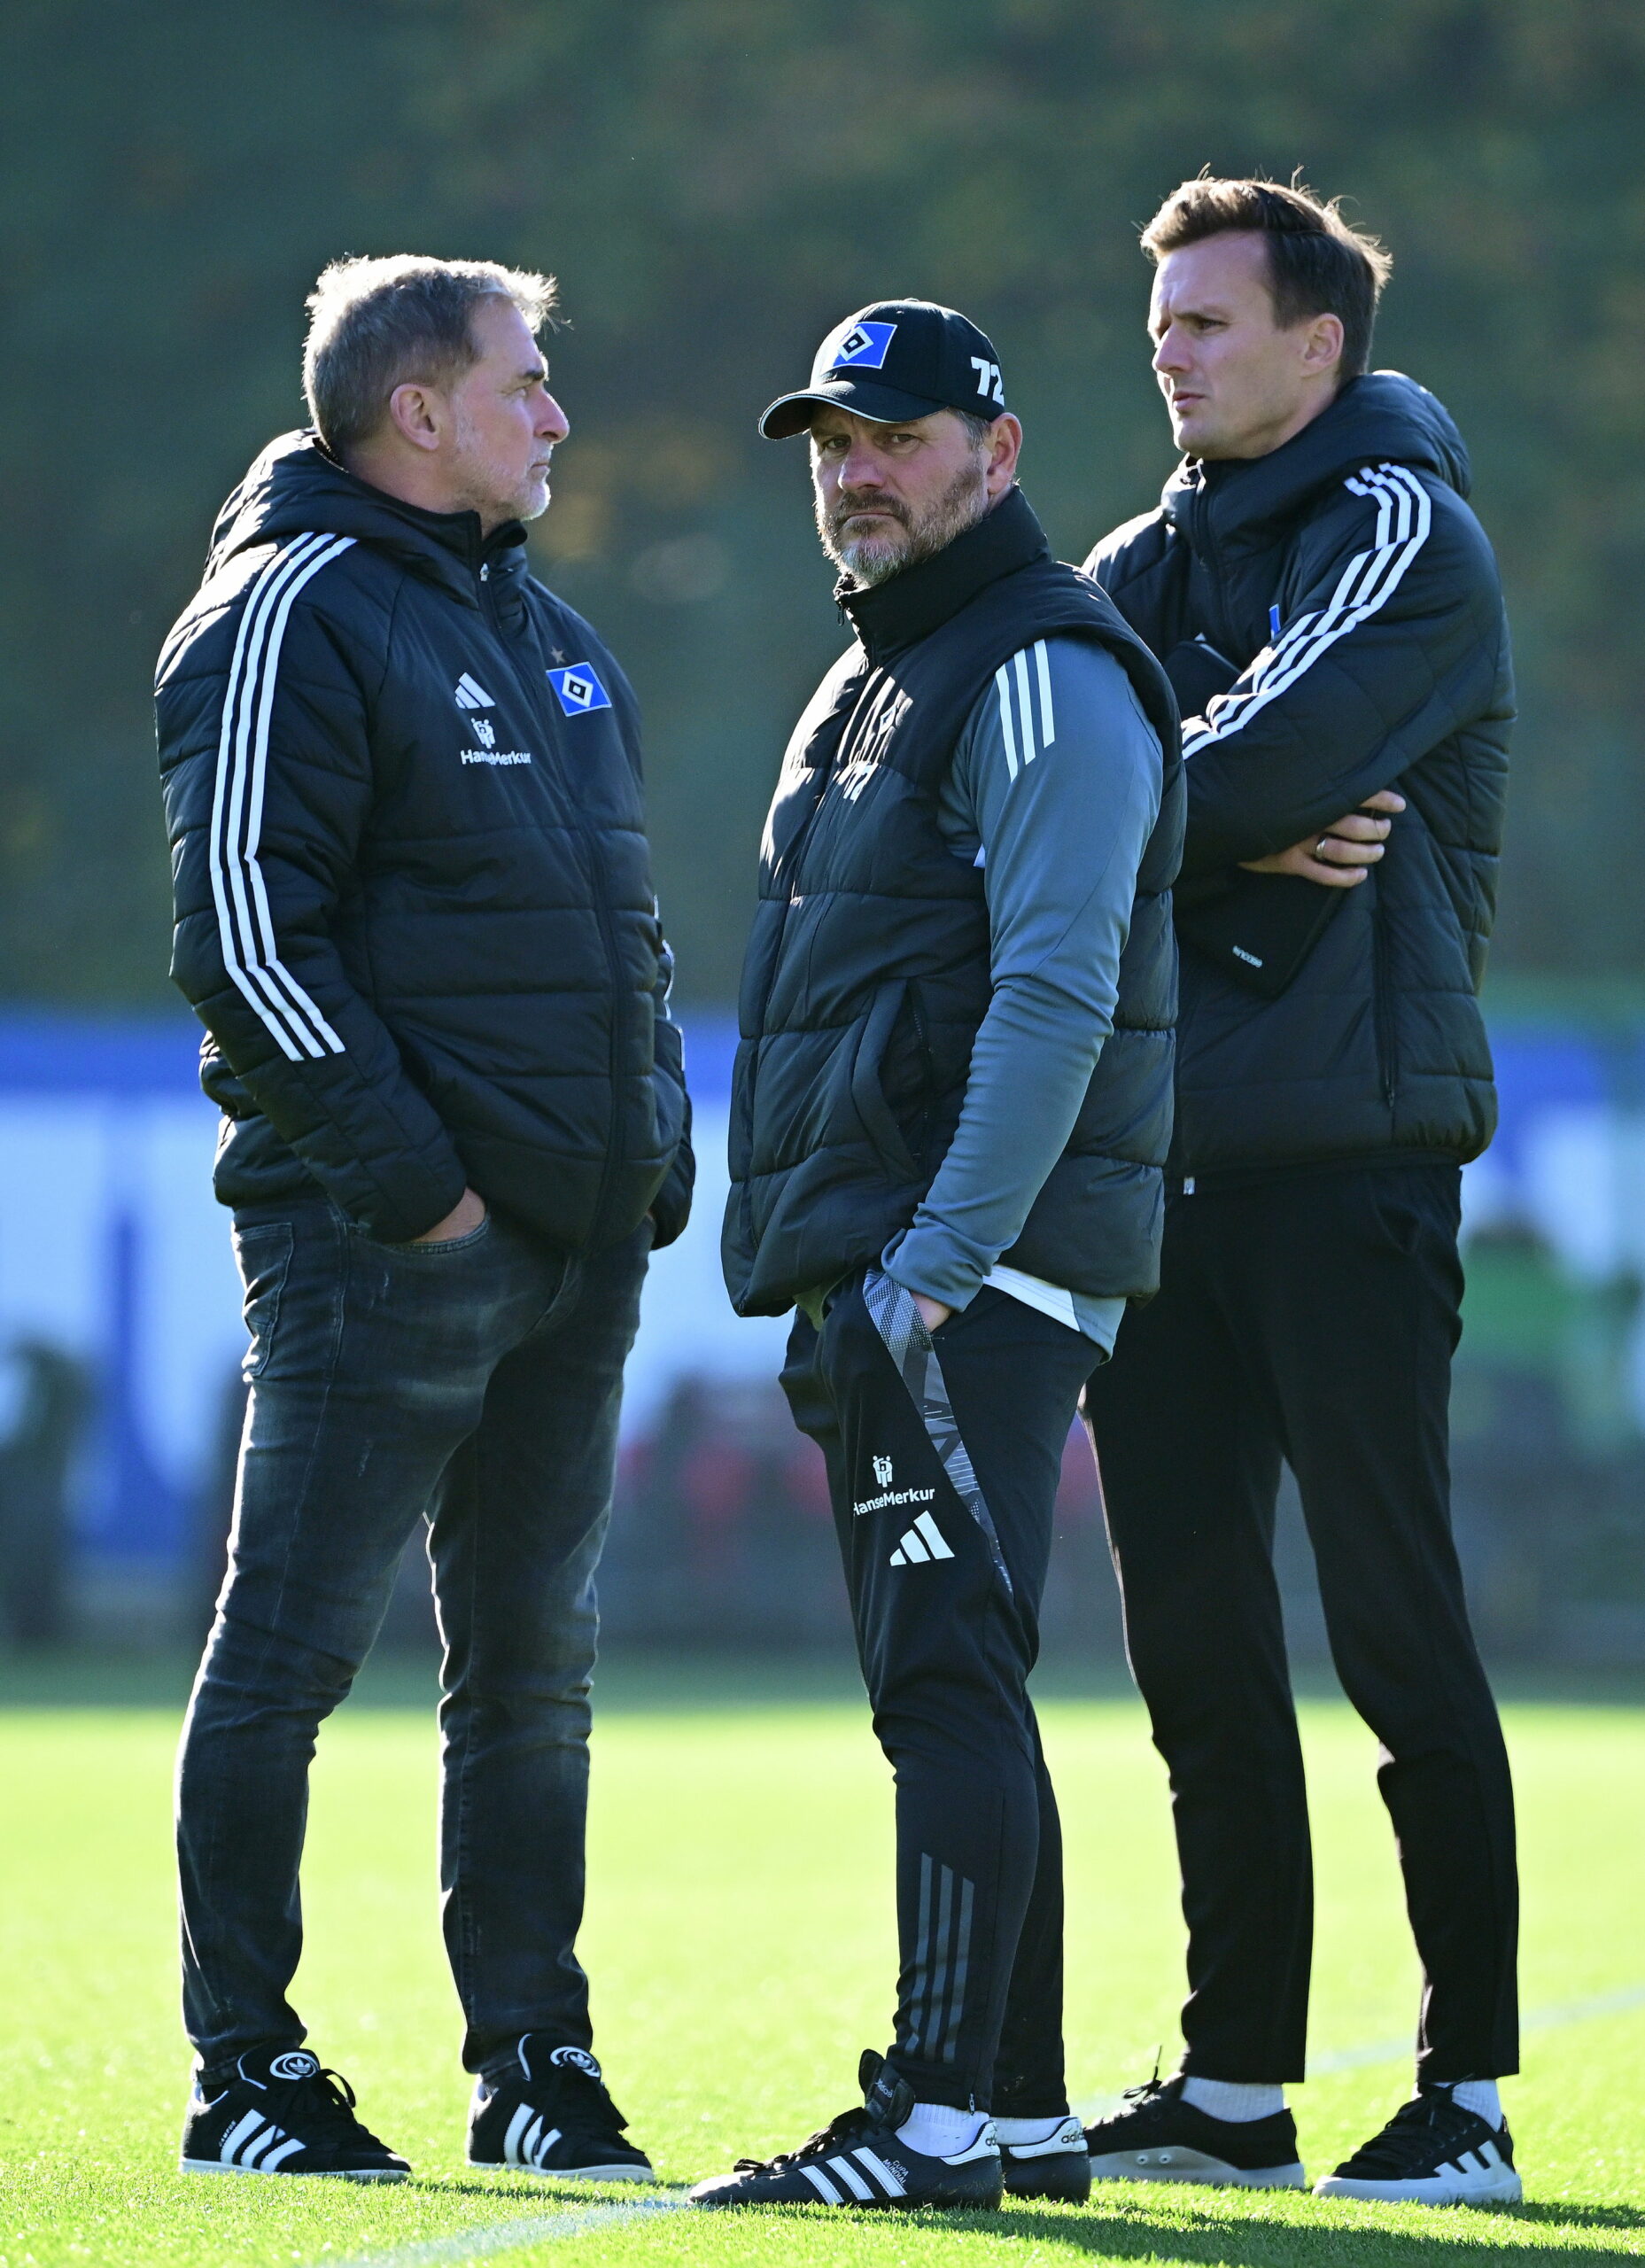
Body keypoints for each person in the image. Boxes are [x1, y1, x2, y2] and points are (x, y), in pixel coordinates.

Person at [156, 255, 692, 2182]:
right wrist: (426, 1196)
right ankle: (250, 2070)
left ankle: (532, 2058)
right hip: (381, 1243)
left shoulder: (542, 627)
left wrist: (650, 1161)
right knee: (292, 1648)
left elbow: (621, 930)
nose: (554, 414)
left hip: (574, 1245)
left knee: (531, 1662)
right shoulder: (288, 605)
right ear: (416, 410)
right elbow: (241, 935)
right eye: (525, 382)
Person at [690, 301, 1182, 2213]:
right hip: (897, 1256)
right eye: (827, 441)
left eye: (891, 436)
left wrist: (929, 1263)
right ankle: (1025, 2106)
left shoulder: (1037, 665)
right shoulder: (882, 669)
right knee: (963, 1666)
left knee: (942, 1686)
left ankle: (936, 2113)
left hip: (960, 1264)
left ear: (995, 445)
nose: (852, 471)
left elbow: (1055, 995)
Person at [1079, 178, 1519, 2208]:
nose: (1163, 347)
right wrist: (1212, 813)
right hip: (1156, 1168)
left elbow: (1207, 786)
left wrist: (1180, 808)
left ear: (1313, 345)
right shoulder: (1124, 561)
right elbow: (1017, 811)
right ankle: (1233, 2079)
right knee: (1188, 1646)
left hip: (1347, 1154)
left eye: (1203, 320)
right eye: (1157, 318)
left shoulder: (1399, 528)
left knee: (1392, 1628)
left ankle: (1464, 2095)